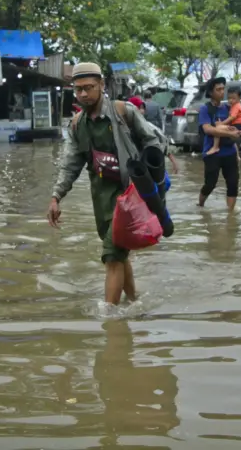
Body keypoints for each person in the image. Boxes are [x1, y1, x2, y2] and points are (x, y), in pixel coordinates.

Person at [48, 63, 163, 306]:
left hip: (129, 196)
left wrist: (148, 174)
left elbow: (154, 140)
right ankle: (135, 303)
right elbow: (71, 163)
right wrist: (56, 196)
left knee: (112, 256)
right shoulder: (78, 124)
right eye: (78, 89)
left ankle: (110, 319)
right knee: (119, 255)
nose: (83, 94)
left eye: (88, 88)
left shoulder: (124, 111)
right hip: (101, 198)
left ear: (101, 84)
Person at [197, 77, 241, 211]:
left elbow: (237, 127)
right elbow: (207, 129)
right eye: (218, 89)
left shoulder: (229, 108)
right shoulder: (206, 109)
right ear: (211, 92)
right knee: (210, 183)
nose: (222, 92)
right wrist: (228, 133)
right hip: (212, 152)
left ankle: (230, 214)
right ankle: (200, 205)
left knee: (233, 183)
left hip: (229, 151)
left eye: (223, 89)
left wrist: (236, 148)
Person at [206, 85, 241, 156]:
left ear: (239, 98)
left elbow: (232, 117)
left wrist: (221, 123)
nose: (231, 100)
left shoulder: (236, 106)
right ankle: (237, 156)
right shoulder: (234, 106)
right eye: (229, 98)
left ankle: (215, 147)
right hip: (238, 126)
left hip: (237, 126)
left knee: (218, 129)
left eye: (233, 98)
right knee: (233, 142)